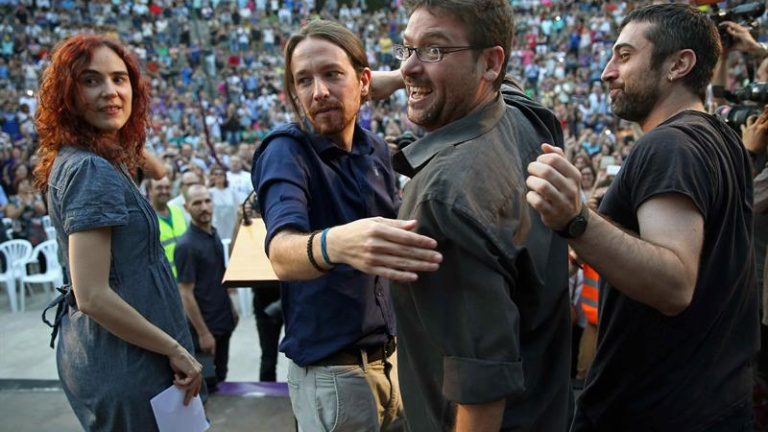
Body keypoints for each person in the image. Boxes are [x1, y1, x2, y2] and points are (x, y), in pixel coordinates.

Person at [526, 4, 758, 430]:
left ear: (678, 65)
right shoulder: (723, 139)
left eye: (625, 55)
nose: (607, 72)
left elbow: (674, 284)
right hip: (715, 403)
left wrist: (576, 220)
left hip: (655, 411)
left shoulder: (669, 146)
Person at [371, 0, 571, 430]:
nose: (407, 68)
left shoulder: (443, 198)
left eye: (434, 50)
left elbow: (483, 392)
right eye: (406, 48)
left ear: (491, 63)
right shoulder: (530, 117)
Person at [251, 20, 442, 432]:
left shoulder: (374, 149)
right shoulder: (285, 151)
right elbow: (281, 252)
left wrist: (399, 77)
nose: (318, 91)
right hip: (334, 377)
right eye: (304, 80)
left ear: (364, 81)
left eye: (332, 74)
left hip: (393, 361)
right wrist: (335, 244)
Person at [35, 34, 201, 431]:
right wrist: (175, 349)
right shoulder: (91, 170)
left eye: (119, 79)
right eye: (91, 80)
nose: (110, 91)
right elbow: (92, 295)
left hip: (119, 354)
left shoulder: (92, 155)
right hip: (129, 364)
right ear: (67, 94)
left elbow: (158, 169)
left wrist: (122, 135)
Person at [175, 185, 238, 389]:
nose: (204, 207)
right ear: (187, 207)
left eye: (207, 201)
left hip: (222, 322)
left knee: (222, 377)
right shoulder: (186, 245)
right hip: (205, 329)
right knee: (208, 387)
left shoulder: (213, 235)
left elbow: (218, 278)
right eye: (197, 203)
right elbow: (185, 293)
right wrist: (203, 333)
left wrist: (231, 308)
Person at [148, 176, 188, 279]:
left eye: (167, 187)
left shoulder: (177, 211)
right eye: (159, 188)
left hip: (187, 276)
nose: (164, 191)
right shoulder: (146, 218)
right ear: (150, 191)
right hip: (165, 281)